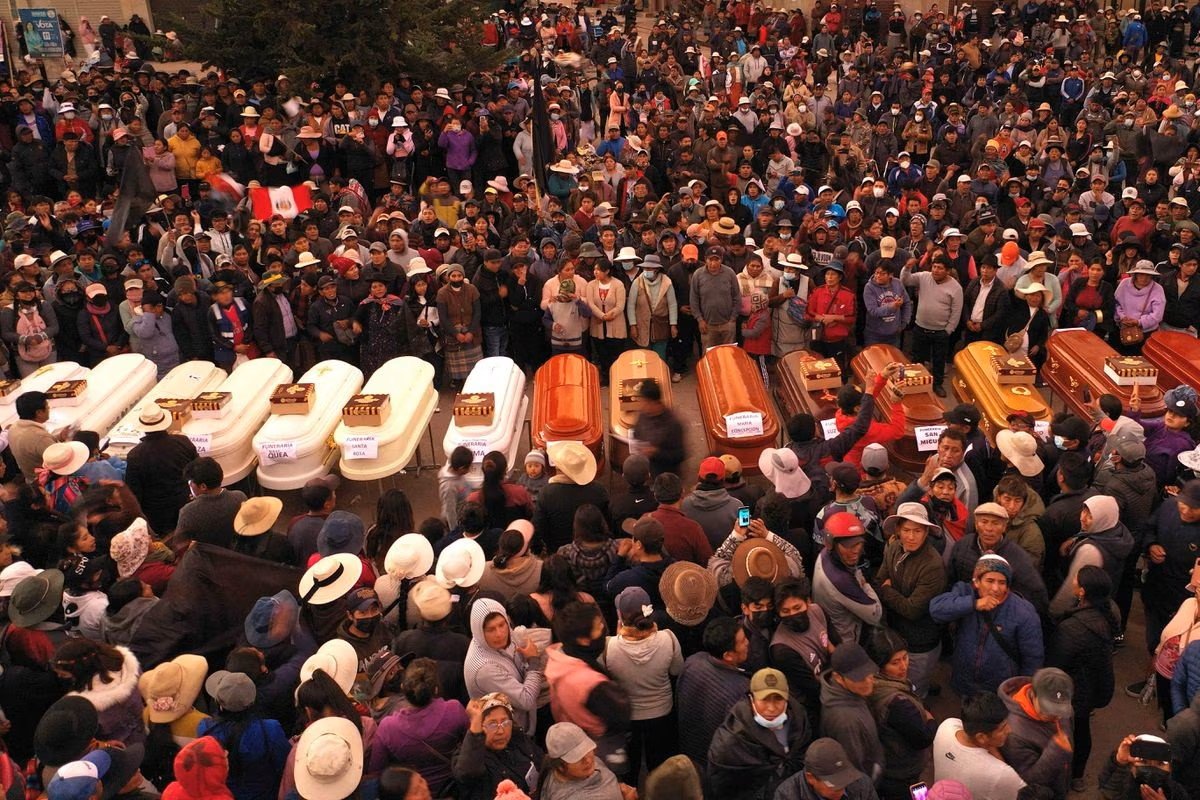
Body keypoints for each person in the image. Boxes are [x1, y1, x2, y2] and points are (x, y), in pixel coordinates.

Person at [930, 555, 1044, 697]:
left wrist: (1022, 691)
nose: (996, 588)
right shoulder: (965, 592)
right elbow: (936, 610)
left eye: (1002, 582)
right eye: (990, 581)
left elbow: (1033, 657)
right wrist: (973, 604)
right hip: (964, 680)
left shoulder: (1023, 612)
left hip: (999, 687)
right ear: (976, 581)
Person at [1047, 565, 1118, 791]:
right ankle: (1078, 775)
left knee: (1063, 733)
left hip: (1069, 691)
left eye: (1076, 581)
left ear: (1082, 592)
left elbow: (1055, 664)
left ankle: (1060, 776)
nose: (1073, 583)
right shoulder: (1109, 612)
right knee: (1083, 728)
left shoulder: (1072, 628)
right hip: (1093, 688)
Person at [602, 586, 683, 774]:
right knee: (661, 767)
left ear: (621, 616)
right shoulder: (669, 639)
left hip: (628, 717)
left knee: (631, 769)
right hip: (663, 713)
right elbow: (677, 669)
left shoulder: (609, 647)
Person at [872, 502, 946, 698]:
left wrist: (888, 591)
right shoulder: (894, 548)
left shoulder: (932, 565)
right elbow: (879, 580)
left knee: (914, 692)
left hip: (920, 642)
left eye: (918, 531)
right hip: (898, 634)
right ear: (898, 530)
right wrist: (886, 589)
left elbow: (912, 609)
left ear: (926, 532)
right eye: (906, 530)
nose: (911, 537)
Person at [706, 667, 811, 800]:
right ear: (751, 699)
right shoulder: (729, 742)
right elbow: (722, 789)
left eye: (778, 699)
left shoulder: (799, 717)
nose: (771, 708)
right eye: (764, 700)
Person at [369, 658, 469, 795]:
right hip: (454, 789)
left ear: (403, 688)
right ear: (436, 689)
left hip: (413, 794)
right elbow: (471, 746)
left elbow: (376, 773)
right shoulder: (454, 710)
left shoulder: (388, 728)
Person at [865, 628, 938, 800]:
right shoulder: (896, 703)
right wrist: (930, 718)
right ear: (880, 665)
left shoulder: (873, 682)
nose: (903, 666)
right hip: (903, 771)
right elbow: (924, 737)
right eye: (895, 662)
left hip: (889, 762)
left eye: (905, 657)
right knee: (918, 796)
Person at [675, 616, 751, 769]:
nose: (748, 642)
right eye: (742, 641)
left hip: (689, 749)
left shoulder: (692, 662)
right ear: (728, 655)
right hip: (716, 761)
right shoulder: (740, 689)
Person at [464, 597, 545, 735]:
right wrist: (533, 661)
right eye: (491, 630)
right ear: (479, 631)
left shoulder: (505, 636)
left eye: (502, 625)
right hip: (508, 735)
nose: (499, 634)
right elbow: (526, 699)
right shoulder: (484, 669)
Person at [997, 667, 1075, 799]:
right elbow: (1029, 780)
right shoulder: (1014, 734)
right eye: (1048, 709)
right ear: (1033, 694)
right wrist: (1057, 752)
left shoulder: (1062, 708)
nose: (1056, 717)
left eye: (1060, 710)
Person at [932, 693, 1028, 799]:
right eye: (1002, 728)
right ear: (981, 737)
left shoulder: (947, 725)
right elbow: (1027, 795)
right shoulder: (1001, 775)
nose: (1009, 730)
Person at [452, 692, 544, 800]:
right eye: (492, 724)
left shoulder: (519, 741)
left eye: (505, 722)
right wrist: (475, 727)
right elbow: (467, 773)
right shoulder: (470, 755)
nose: (500, 731)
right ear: (480, 727)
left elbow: (541, 763)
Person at [540, 721, 638, 800]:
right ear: (560, 766)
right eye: (578, 758)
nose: (588, 760)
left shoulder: (584, 768)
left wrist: (615, 788)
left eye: (587, 750)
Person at [631, 379, 685, 477]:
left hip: (666, 474)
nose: (641, 405)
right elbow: (637, 432)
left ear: (652, 402)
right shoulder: (644, 414)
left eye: (643, 402)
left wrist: (656, 452)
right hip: (647, 468)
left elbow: (679, 455)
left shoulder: (672, 424)